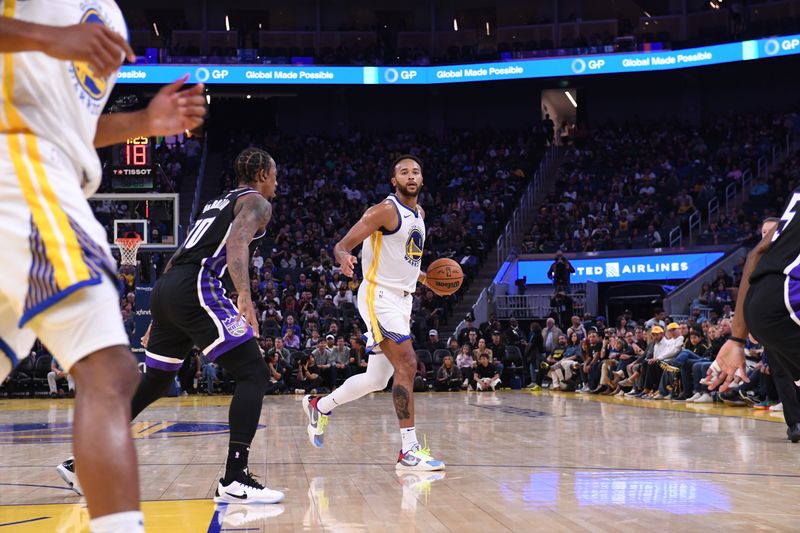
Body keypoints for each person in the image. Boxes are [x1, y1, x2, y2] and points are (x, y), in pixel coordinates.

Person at [1, 6, 206, 530]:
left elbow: (70, 127)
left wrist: (144, 123)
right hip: (19, 166)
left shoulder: (110, 17)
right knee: (111, 373)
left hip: (46, 168)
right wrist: (49, 37)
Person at [57, 149, 283, 505]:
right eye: (274, 175)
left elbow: (178, 255)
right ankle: (235, 478)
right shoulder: (256, 203)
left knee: (157, 380)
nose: (276, 182)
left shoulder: (217, 203)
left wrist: (160, 313)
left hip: (169, 287)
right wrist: (244, 295)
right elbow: (238, 241)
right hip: (196, 286)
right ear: (260, 174)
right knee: (254, 372)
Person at [302, 154, 447, 471]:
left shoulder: (419, 213)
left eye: (416, 171)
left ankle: (319, 406)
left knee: (377, 378)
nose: (411, 175)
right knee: (408, 362)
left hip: (403, 299)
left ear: (422, 180)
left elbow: (405, 259)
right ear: (394, 181)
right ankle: (408, 450)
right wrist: (343, 257)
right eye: (404, 172)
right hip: (378, 296)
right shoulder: (384, 211)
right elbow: (342, 245)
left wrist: (426, 280)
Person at [712, 215, 800, 442]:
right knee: (781, 374)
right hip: (784, 306)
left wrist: (737, 338)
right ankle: (795, 422)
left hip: (762, 312)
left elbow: (754, 254)